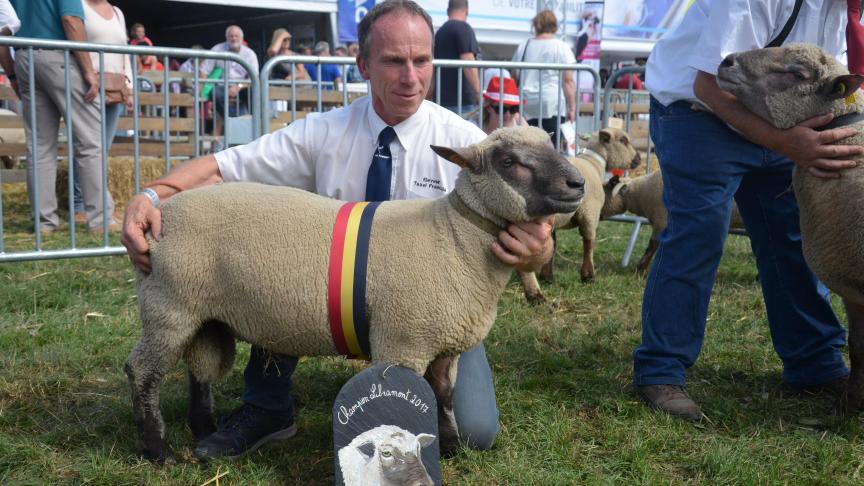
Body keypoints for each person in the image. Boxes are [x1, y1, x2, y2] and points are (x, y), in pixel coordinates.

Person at [120, 0, 554, 461]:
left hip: (429, 310)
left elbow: (533, 232)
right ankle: (267, 407)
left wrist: (536, 252)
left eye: (421, 60)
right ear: (363, 64)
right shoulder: (323, 132)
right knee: (275, 261)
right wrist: (151, 195)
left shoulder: (467, 150)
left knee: (477, 429)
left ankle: (410, 398)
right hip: (318, 290)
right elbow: (226, 169)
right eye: (393, 61)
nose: (411, 76)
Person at [633, 0, 860, 421]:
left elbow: (826, 80)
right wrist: (787, 143)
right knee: (699, 231)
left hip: (777, 117)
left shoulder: (840, 9)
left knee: (792, 235)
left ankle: (814, 363)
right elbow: (708, 84)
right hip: (700, 111)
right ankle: (661, 369)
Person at [12, 0, 117, 234]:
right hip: (60, 55)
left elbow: (4, 27)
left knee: (39, 148)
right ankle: (100, 220)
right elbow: (71, 19)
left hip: (24, 55)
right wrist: (89, 70)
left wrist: (10, 72)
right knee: (90, 142)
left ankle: (44, 222)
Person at [71, 0, 133, 224]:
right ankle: (79, 204)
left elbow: (125, 52)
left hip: (115, 86)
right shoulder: (79, 6)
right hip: (89, 84)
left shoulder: (117, 12)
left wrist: (130, 88)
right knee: (88, 147)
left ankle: (97, 204)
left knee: (102, 148)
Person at [510, 10, 576, 143]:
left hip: (526, 103)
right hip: (552, 104)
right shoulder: (562, 47)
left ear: (536, 25)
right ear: (554, 25)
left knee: (528, 145)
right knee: (552, 147)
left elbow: (514, 76)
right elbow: (568, 81)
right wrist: (572, 108)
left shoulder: (524, 45)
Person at [200, 25, 260, 135]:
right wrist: (202, 88)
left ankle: (256, 125)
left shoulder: (249, 54)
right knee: (215, 93)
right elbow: (204, 70)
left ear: (241, 38)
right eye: (231, 36)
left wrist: (238, 87)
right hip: (221, 87)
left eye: (236, 36)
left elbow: (254, 77)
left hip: (242, 87)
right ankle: (236, 122)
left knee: (254, 93)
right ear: (226, 37)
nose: (233, 39)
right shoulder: (217, 49)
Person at [433, 0, 480, 114]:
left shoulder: (439, 32)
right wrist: (478, 92)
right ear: (466, 11)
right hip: (461, 102)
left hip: (441, 100)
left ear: (448, 11)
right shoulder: (464, 28)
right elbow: (468, 62)